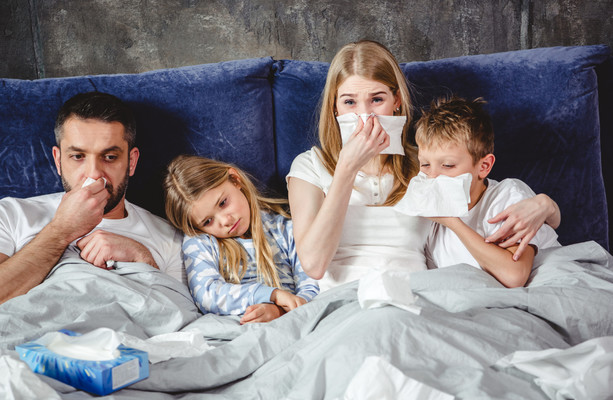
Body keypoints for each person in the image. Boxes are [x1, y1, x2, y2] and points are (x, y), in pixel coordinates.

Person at [286, 39, 561, 291]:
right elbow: (313, 265)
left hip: (417, 297)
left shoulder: (426, 165)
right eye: (349, 102)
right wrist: (346, 169)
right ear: (335, 108)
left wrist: (546, 205)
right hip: (343, 299)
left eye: (377, 99)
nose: (365, 116)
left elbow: (486, 196)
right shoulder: (310, 166)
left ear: (395, 101)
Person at [0, 91, 185, 304]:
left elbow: (183, 321)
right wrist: (61, 231)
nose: (94, 174)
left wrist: (142, 258)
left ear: (131, 162)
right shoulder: (11, 215)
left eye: (109, 157)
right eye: (78, 156)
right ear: (58, 160)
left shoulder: (171, 238)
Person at [415, 96, 560, 287]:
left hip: (548, 285)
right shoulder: (430, 216)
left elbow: (514, 276)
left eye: (448, 165)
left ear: (483, 166)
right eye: (425, 164)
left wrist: (452, 222)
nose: (433, 176)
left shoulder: (507, 196)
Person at [164, 155, 319, 324]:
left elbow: (312, 285)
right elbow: (207, 294)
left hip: (296, 321)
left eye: (223, 203)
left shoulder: (284, 228)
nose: (225, 221)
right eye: (208, 221)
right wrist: (272, 295)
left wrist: (280, 311)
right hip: (238, 329)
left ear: (235, 180)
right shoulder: (201, 242)